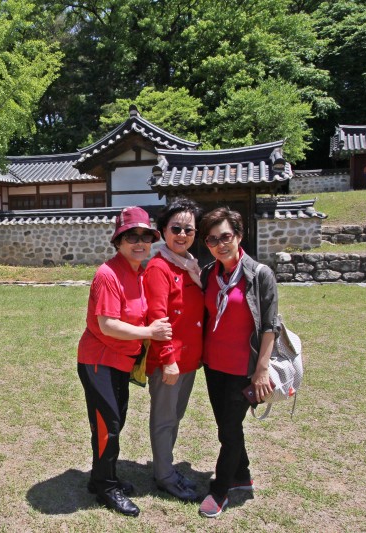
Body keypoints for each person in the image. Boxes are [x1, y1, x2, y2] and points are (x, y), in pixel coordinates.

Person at [77, 206, 172, 518]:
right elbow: (107, 325)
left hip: (121, 361)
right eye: (132, 236)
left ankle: (101, 477)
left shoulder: (138, 272)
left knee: (114, 421)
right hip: (99, 360)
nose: (140, 242)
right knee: (109, 425)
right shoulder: (108, 274)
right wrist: (150, 332)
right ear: (118, 241)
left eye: (146, 236)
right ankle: (106, 487)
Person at [197, 207, 278, 518]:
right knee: (225, 426)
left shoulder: (259, 275)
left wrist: (262, 370)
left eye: (226, 236)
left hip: (243, 368)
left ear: (239, 236)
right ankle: (242, 475)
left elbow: (270, 325)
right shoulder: (209, 274)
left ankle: (220, 491)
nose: (220, 244)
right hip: (214, 365)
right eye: (213, 239)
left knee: (229, 430)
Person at [142, 197, 203, 502]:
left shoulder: (190, 265)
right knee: (165, 418)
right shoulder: (159, 267)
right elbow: (157, 317)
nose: (182, 234)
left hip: (190, 359)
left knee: (175, 416)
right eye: (175, 228)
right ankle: (165, 476)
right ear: (163, 231)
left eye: (188, 229)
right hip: (170, 361)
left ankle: (164, 466)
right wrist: (168, 361)